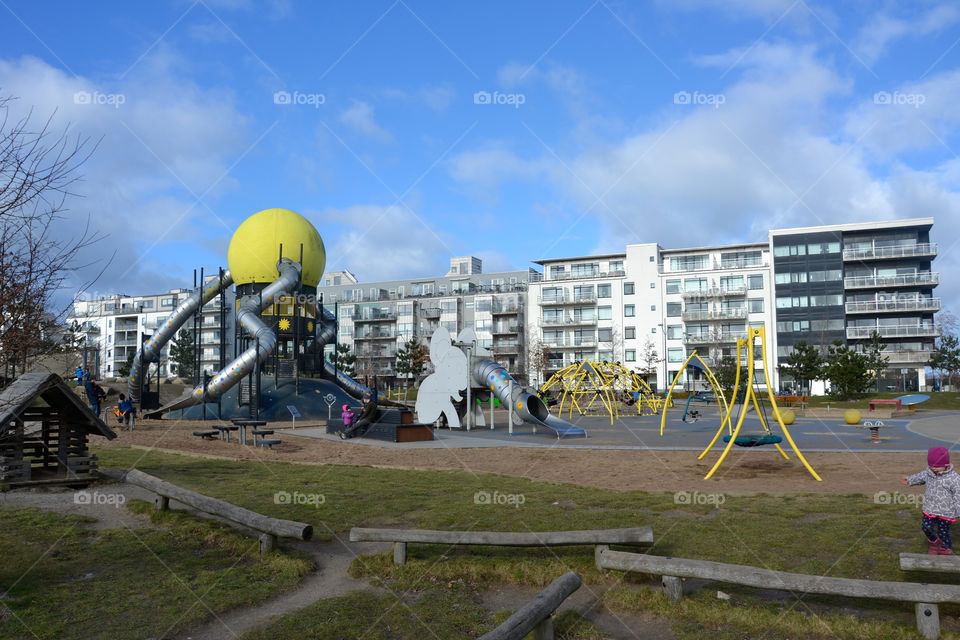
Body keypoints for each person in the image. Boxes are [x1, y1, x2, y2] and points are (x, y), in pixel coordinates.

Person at [903, 446, 960, 555]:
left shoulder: (954, 479)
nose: (934, 469)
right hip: (930, 508)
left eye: (937, 467)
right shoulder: (929, 473)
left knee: (943, 532)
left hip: (946, 511)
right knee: (926, 527)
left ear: (946, 465)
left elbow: (958, 495)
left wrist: (958, 510)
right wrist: (910, 479)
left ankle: (946, 549)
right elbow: (920, 477)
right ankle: (935, 543)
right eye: (932, 466)